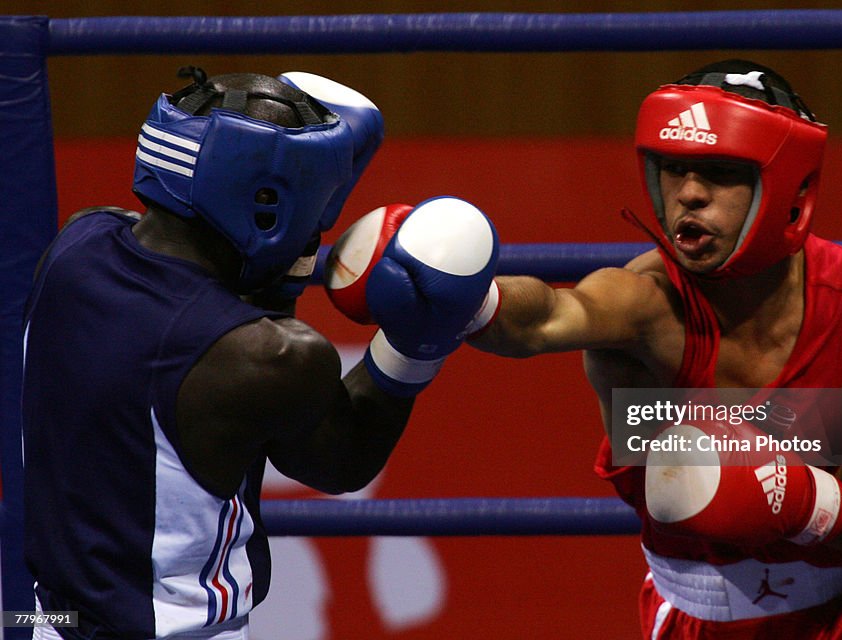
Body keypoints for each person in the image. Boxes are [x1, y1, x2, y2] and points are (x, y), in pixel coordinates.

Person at [469, 59, 842, 638]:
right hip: (692, 616)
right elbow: (545, 317)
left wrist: (804, 504)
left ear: (786, 187)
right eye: (673, 169)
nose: (689, 195)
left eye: (721, 172)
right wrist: (467, 298)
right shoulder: (644, 307)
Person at [21, 67, 498, 640]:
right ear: (266, 203)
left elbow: (197, 284)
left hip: (43, 619)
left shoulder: (76, 243)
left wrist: (279, 253)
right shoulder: (264, 357)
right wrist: (416, 341)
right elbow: (341, 461)